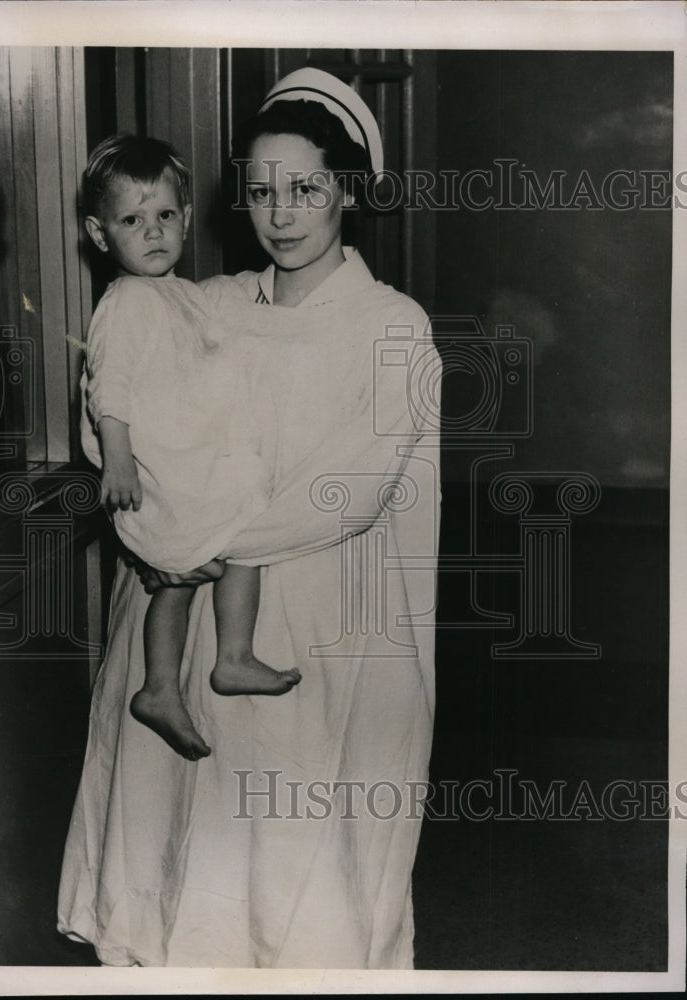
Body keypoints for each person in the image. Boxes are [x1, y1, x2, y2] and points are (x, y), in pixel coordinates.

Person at [58, 68, 441, 969]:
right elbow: (107, 405)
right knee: (184, 847)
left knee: (297, 862)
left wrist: (194, 535)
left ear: (346, 191)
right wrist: (158, 526)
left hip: (315, 634)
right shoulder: (207, 303)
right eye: (262, 192)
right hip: (183, 614)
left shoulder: (393, 326)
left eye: (305, 189)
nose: (281, 213)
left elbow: (353, 488)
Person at [79, 134, 301, 761]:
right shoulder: (124, 302)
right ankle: (170, 683)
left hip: (192, 460)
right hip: (157, 471)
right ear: (100, 235)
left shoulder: (180, 291)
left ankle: (212, 665)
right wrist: (117, 458)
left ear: (186, 218)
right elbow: (109, 389)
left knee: (224, 551)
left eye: (165, 216)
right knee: (197, 561)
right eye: (131, 220)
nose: (152, 233)